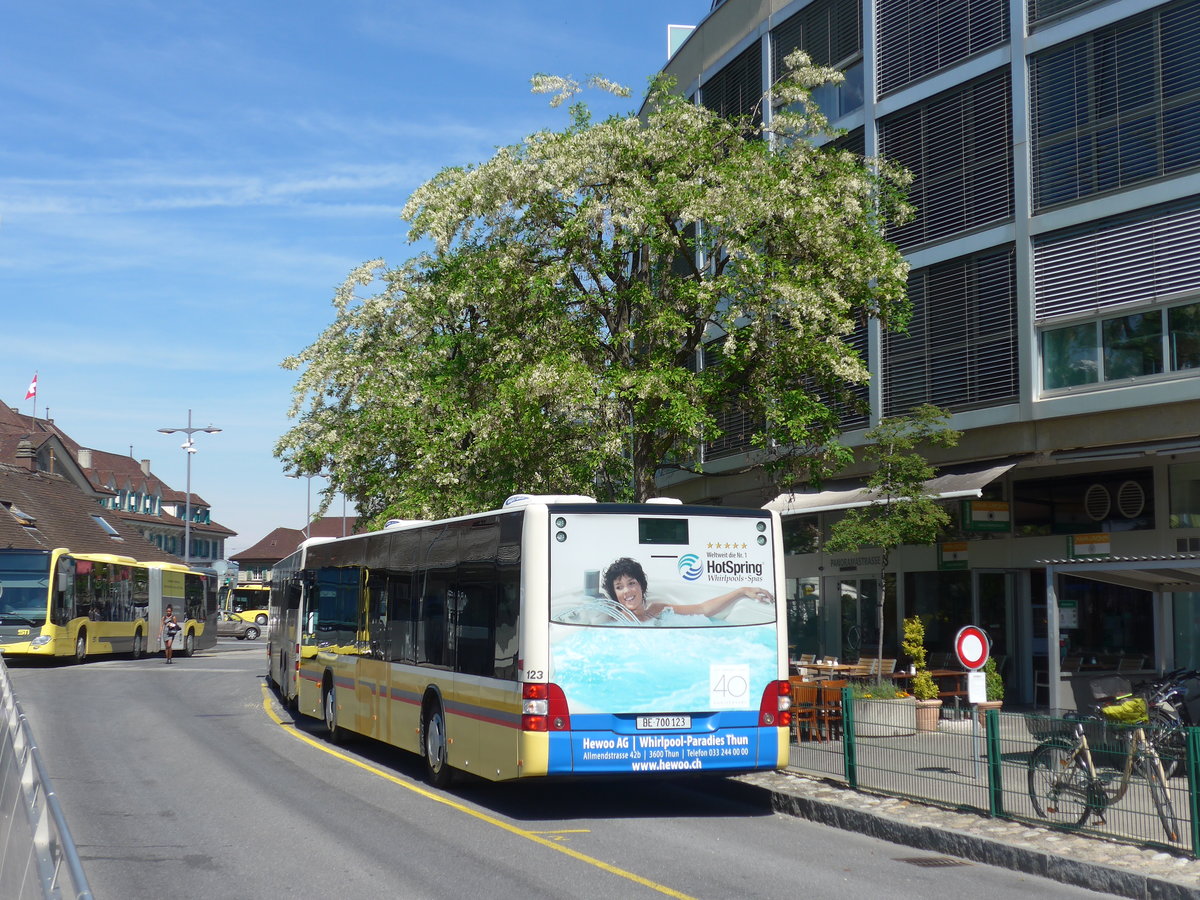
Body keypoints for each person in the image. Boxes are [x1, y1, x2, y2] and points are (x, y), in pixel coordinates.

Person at [601, 557, 773, 624]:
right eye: (619, 587)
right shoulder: (613, 620)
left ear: (641, 586)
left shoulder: (657, 610)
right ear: (614, 594)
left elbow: (702, 609)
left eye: (631, 583)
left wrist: (741, 591)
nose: (627, 591)